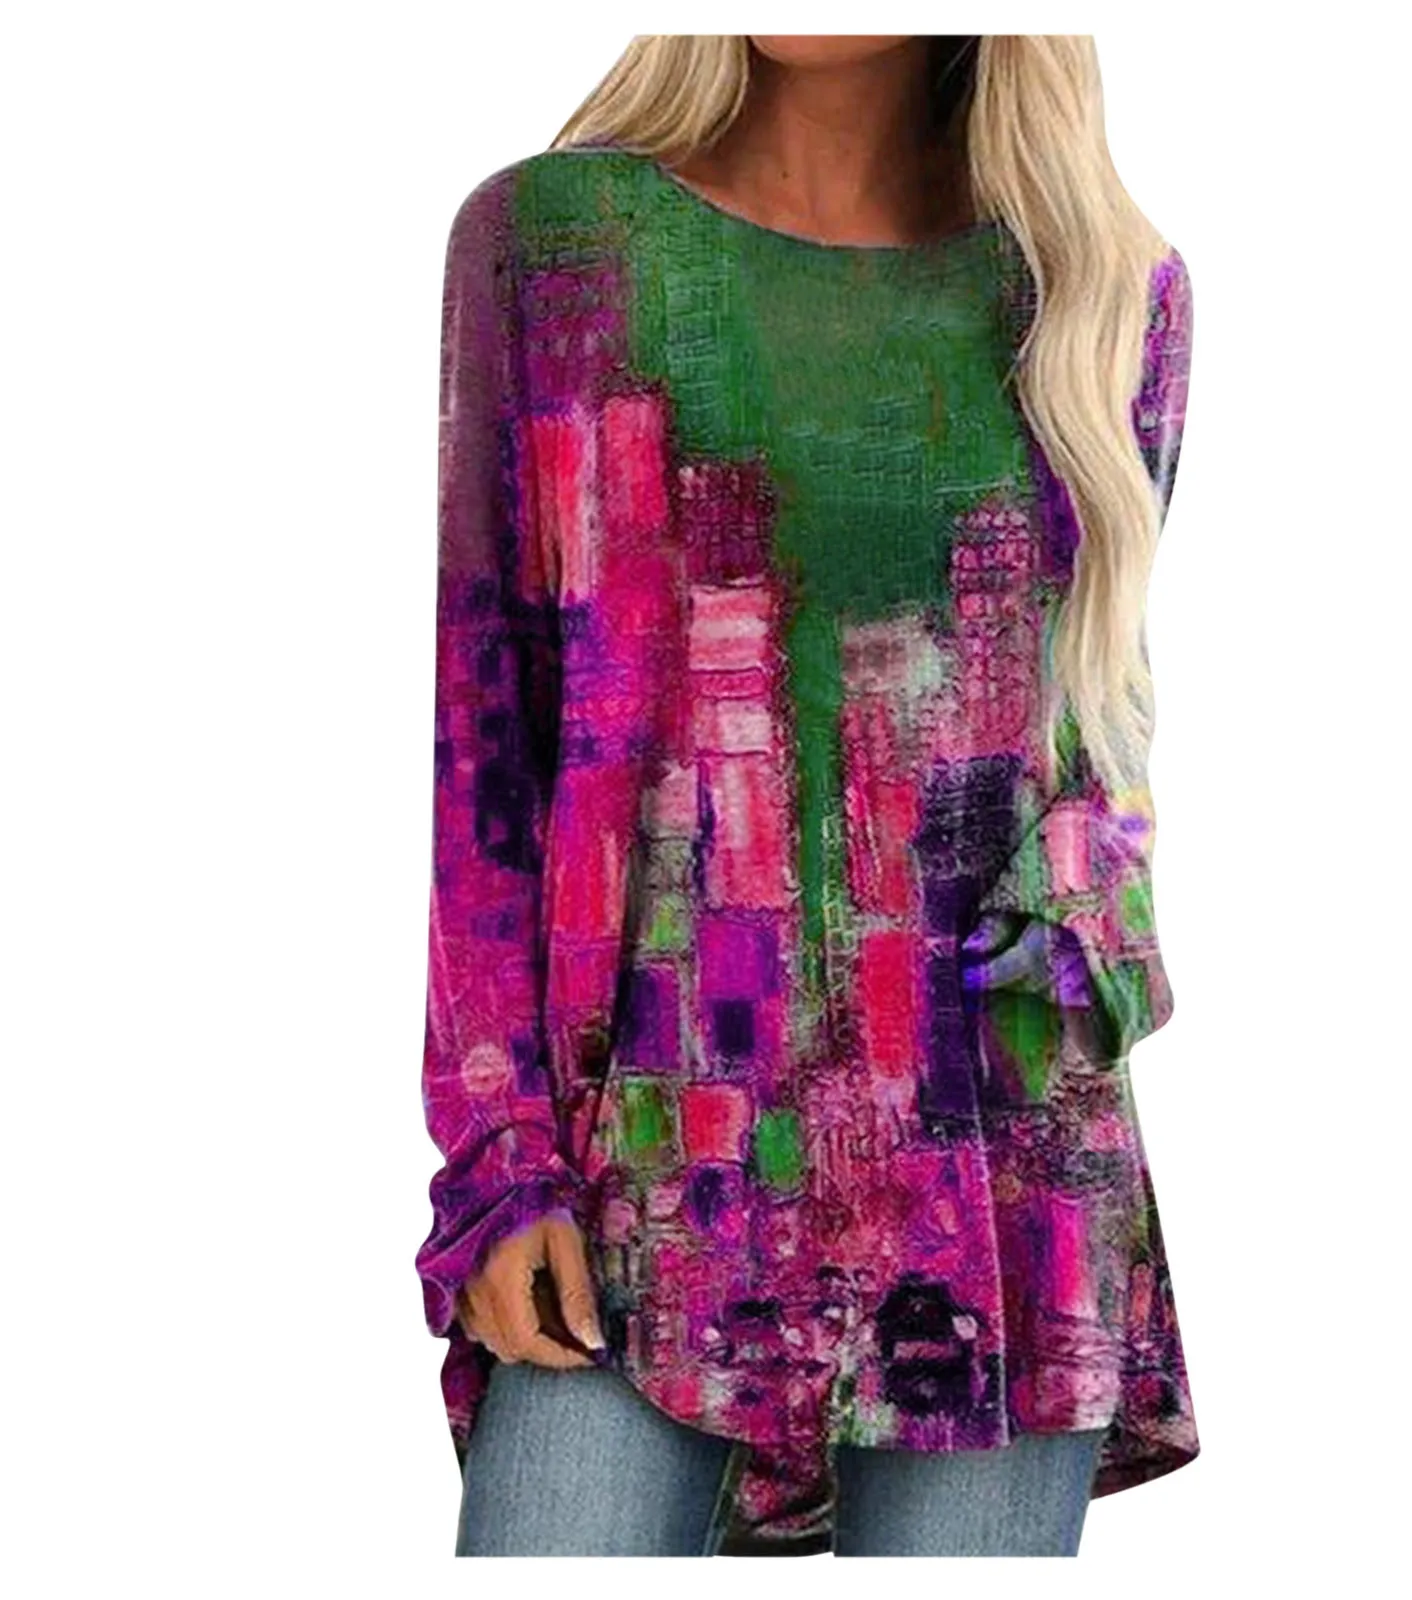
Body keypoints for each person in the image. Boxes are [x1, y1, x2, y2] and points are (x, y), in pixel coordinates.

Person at [417, 34, 1197, 1557]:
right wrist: (500, 1159)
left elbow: (1095, 737)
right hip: (651, 1158)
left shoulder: (1108, 297)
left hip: (999, 1190)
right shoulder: (559, 246)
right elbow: (485, 752)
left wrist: (1073, 932)